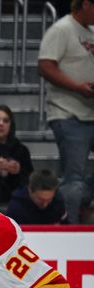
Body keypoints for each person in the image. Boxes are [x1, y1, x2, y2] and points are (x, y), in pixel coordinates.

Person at [38, 0, 94, 224]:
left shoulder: (90, 31)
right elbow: (45, 66)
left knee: (78, 181)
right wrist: (77, 87)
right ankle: (71, 226)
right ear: (87, 5)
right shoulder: (62, 29)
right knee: (74, 177)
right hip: (68, 113)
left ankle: (81, 205)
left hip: (90, 113)